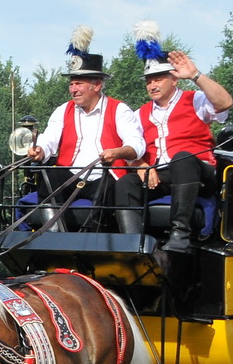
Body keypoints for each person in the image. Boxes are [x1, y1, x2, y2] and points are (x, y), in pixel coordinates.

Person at [27, 25, 146, 233]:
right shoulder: (63, 110)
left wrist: (117, 152)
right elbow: (49, 139)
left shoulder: (119, 110)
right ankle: (55, 237)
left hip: (104, 176)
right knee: (48, 176)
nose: (73, 89)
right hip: (71, 175)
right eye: (72, 84)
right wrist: (40, 150)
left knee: (109, 185)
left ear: (97, 85)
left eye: (79, 84)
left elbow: (137, 145)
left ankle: (92, 239)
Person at [128, 23, 233, 253]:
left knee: (183, 158)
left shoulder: (194, 99)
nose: (152, 85)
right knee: (126, 182)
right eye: (148, 80)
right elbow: (131, 148)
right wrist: (141, 165)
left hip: (198, 171)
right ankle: (132, 244)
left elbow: (225, 103)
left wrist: (195, 75)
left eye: (158, 79)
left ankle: (180, 234)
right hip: (162, 174)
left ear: (174, 79)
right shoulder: (139, 114)